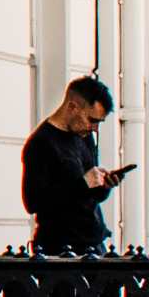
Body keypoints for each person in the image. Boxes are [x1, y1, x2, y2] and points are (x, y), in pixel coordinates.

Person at [24, 76, 122, 254]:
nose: (94, 128)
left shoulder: (84, 137)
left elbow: (88, 196)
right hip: (60, 248)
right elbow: (33, 202)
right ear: (72, 107)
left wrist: (103, 186)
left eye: (99, 122)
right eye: (92, 120)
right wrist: (83, 183)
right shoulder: (42, 142)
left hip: (94, 241)